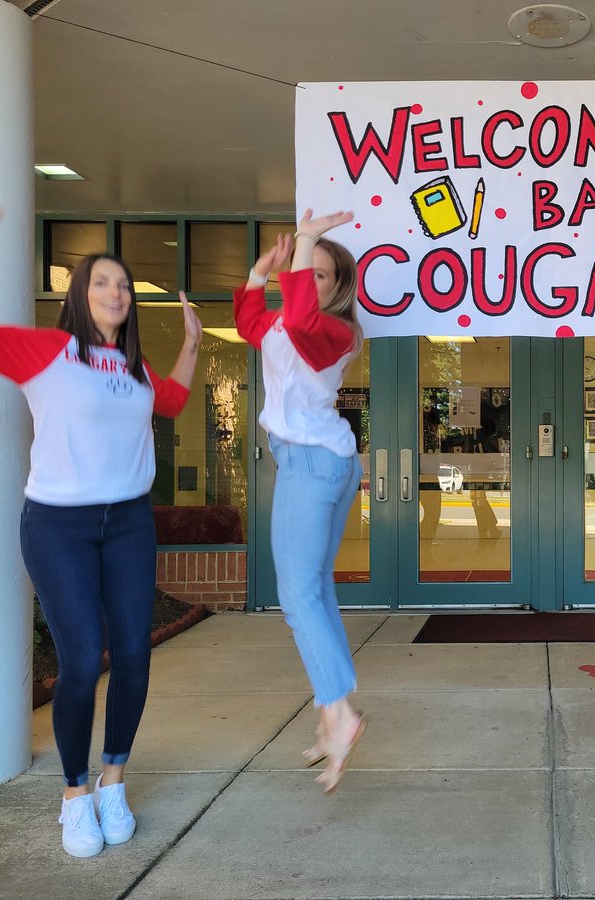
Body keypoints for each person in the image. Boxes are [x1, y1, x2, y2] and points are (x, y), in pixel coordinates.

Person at [0, 191, 201, 857]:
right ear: (79, 295)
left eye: (123, 284)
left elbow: (170, 401)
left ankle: (114, 777)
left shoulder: (137, 369)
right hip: (58, 525)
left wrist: (196, 344)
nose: (116, 290)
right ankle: (74, 794)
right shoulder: (44, 351)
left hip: (128, 526)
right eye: (102, 281)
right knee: (84, 658)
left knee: (137, 657)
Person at [234, 210, 367, 794]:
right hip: (319, 460)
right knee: (317, 590)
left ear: (339, 288)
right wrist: (257, 275)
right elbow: (247, 324)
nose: (309, 281)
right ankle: (328, 712)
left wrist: (306, 241)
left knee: (296, 594)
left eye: (320, 275)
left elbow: (303, 319)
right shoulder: (283, 329)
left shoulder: (335, 333)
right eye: (304, 272)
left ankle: (340, 714)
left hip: (314, 462)